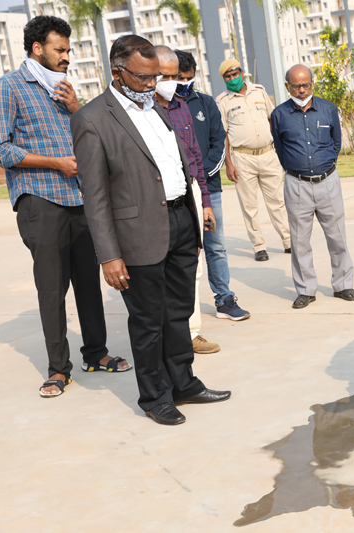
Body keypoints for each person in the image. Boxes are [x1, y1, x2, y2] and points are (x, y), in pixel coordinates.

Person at [72, 35, 231, 425]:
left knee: (179, 313)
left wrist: (194, 215)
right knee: (148, 322)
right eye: (143, 77)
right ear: (118, 72)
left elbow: (175, 165)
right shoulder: (92, 118)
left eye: (155, 76)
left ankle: (183, 383)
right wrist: (109, 255)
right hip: (137, 235)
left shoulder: (157, 107)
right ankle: (155, 396)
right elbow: (95, 195)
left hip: (180, 222)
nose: (151, 84)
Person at [0, 16, 131, 398]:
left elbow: (89, 135)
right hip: (40, 199)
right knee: (52, 288)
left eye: (69, 50)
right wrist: (56, 163)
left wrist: (76, 107)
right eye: (60, 49)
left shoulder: (63, 88)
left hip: (79, 197)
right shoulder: (9, 86)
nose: (67, 57)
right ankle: (58, 369)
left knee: (89, 282)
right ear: (37, 48)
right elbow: (2, 149)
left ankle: (96, 353)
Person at [154, 45, 230, 355]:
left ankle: (192, 333)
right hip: (157, 198)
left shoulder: (182, 107)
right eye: (165, 76)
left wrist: (205, 201)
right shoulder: (142, 112)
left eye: (176, 76)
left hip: (191, 193)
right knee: (159, 267)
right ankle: (166, 335)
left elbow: (196, 159)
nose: (172, 82)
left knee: (192, 265)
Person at [271, 65, 354, 309]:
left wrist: (324, 164)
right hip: (297, 185)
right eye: (296, 86)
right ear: (287, 86)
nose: (302, 90)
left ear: (312, 83)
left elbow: (336, 143)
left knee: (337, 237)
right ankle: (306, 290)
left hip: (328, 182)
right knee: (299, 242)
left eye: (306, 85)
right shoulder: (279, 114)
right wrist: (296, 167)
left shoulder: (328, 109)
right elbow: (280, 148)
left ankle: (343, 284)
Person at [174, 50, 251, 325]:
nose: (184, 82)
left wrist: (200, 175)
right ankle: (185, 310)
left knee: (216, 246)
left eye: (188, 77)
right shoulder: (161, 107)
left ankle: (224, 299)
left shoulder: (206, 103)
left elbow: (219, 143)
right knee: (184, 251)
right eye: (179, 78)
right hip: (177, 192)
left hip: (209, 188)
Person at [216, 59, 291, 261]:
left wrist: (278, 148)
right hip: (242, 159)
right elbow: (223, 135)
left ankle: (288, 241)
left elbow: (272, 118)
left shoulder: (259, 92)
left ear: (242, 73)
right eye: (228, 77)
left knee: (277, 202)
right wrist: (229, 164)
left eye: (235, 74)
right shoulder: (223, 102)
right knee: (249, 206)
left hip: (268, 155)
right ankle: (259, 246)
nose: (232, 79)